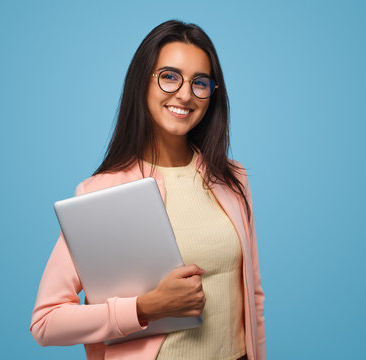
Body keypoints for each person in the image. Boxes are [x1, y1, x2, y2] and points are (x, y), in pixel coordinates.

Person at [29, 20, 266, 360]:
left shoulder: (232, 179)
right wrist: (144, 308)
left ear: (213, 95)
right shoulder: (103, 193)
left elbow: (252, 298)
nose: (185, 94)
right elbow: (46, 321)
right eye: (169, 76)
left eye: (200, 82)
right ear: (143, 82)